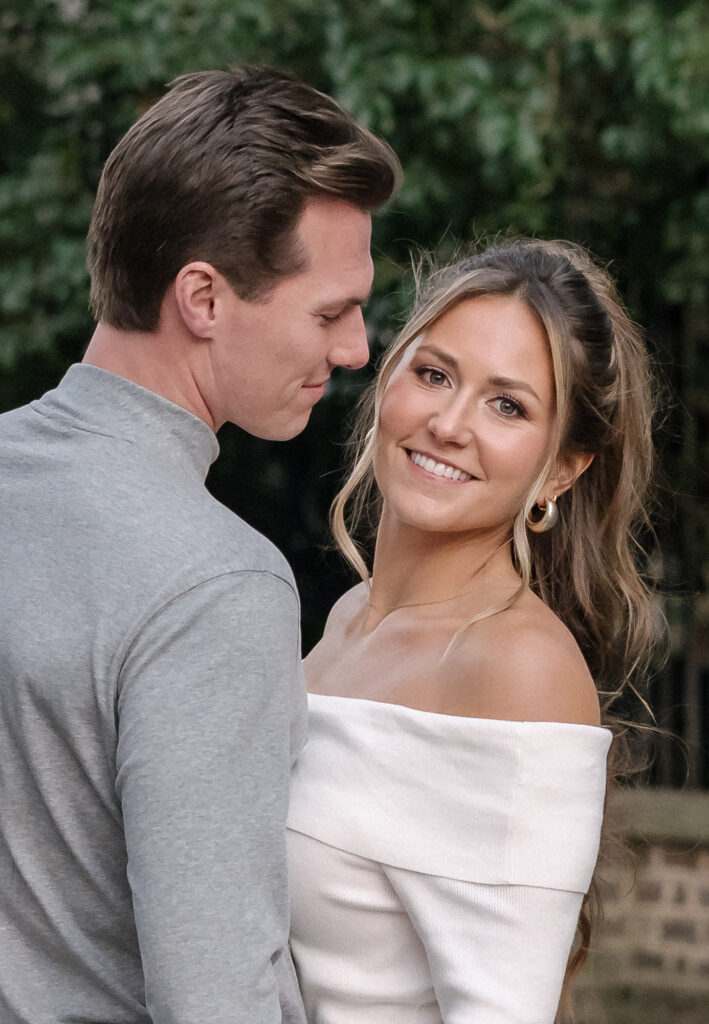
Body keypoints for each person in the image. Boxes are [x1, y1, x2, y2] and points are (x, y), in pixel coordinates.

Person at [0, 67, 399, 1024]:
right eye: (329, 311)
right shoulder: (218, 586)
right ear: (203, 299)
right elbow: (216, 995)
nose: (356, 349)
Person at [287, 239, 657, 1022]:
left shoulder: (518, 667)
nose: (449, 424)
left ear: (561, 468)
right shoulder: (350, 619)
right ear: (388, 379)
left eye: (507, 406)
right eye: (434, 374)